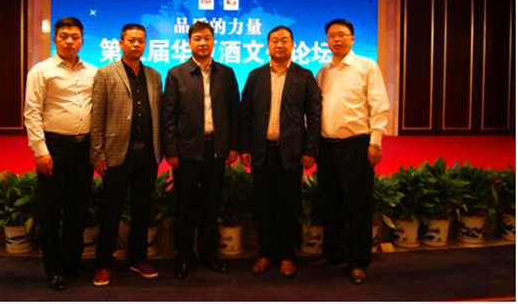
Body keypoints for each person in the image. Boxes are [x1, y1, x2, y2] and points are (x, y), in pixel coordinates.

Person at [241, 25, 321, 278]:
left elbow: (314, 116)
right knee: (263, 204)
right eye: (274, 40)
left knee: (289, 205)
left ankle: (287, 255)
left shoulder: (304, 76)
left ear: (293, 45)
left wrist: (310, 150)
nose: (279, 45)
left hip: (292, 153)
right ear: (267, 45)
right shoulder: (255, 76)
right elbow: (246, 115)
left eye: (284, 40)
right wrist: (245, 147)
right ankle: (265, 253)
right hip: (262, 151)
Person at [162, 20, 240, 280]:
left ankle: (209, 254)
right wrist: (171, 150)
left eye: (207, 38)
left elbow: (234, 112)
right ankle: (183, 256)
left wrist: (233, 146)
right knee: (185, 205)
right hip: (186, 150)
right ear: (189, 42)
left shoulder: (226, 73)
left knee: (211, 204)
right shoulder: (176, 74)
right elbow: (169, 116)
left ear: (214, 41)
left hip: (216, 149)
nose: (203, 43)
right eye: (197, 39)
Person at [24, 16, 97, 291]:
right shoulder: (41, 71)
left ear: (82, 41)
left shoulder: (92, 72)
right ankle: (53, 268)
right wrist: (40, 151)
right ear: (55, 39)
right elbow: (32, 112)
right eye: (64, 36)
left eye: (74, 37)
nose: (69, 41)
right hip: (54, 147)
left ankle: (72, 261)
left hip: (83, 148)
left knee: (78, 208)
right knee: (51, 210)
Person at [316, 18, 390, 285]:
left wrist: (375, 142)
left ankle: (358, 261)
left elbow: (379, 105)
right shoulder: (323, 72)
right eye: (332, 35)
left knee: (358, 205)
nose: (336, 39)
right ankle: (333, 253)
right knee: (331, 203)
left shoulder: (366, 66)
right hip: (327, 147)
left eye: (342, 35)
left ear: (352, 38)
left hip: (357, 145)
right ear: (327, 40)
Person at [90, 24, 163, 287]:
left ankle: (138, 258)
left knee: (142, 210)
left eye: (141, 41)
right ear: (120, 43)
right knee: (111, 210)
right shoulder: (105, 73)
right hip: (116, 154)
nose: (136, 45)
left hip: (147, 155)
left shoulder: (154, 76)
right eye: (131, 40)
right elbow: (97, 116)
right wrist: (97, 152)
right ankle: (103, 262)